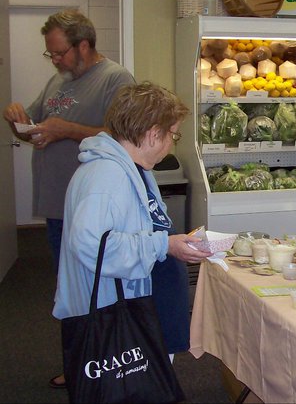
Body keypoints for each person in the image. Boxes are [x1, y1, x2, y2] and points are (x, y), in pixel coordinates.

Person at [2, 9, 136, 389]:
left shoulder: (115, 78)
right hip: (58, 203)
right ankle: (81, 362)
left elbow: (125, 136)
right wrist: (18, 121)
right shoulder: (58, 81)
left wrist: (66, 130)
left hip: (90, 206)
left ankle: (103, 364)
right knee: (70, 288)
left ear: (84, 45)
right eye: (51, 53)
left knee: (95, 288)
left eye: (60, 52)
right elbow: (35, 129)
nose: (55, 60)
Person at [52, 82, 212, 365]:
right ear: (153, 134)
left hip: (141, 314)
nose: (172, 143)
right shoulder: (106, 176)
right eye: (173, 135)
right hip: (120, 322)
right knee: (132, 385)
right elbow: (92, 246)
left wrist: (172, 242)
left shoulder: (135, 169)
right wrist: (164, 245)